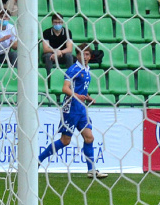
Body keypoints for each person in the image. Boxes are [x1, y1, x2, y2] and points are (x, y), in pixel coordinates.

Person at [38, 43, 108, 180]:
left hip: (81, 108)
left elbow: (81, 90)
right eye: (82, 54)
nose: (85, 57)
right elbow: (65, 88)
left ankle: (91, 170)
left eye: (87, 54)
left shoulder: (87, 69)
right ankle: (38, 160)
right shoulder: (73, 69)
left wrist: (88, 97)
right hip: (70, 108)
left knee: (89, 138)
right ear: (78, 55)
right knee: (65, 141)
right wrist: (77, 96)